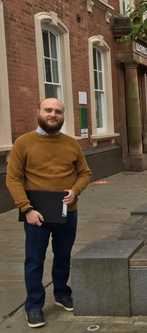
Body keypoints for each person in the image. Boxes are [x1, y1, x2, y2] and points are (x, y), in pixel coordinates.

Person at [6, 98, 92, 328]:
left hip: (67, 211)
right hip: (36, 215)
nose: (53, 114)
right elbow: (13, 178)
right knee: (34, 260)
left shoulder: (71, 144)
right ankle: (33, 306)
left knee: (63, 256)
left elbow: (85, 173)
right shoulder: (23, 143)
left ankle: (62, 293)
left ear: (63, 116)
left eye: (58, 112)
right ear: (38, 112)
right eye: (48, 110)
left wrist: (75, 191)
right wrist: (26, 209)